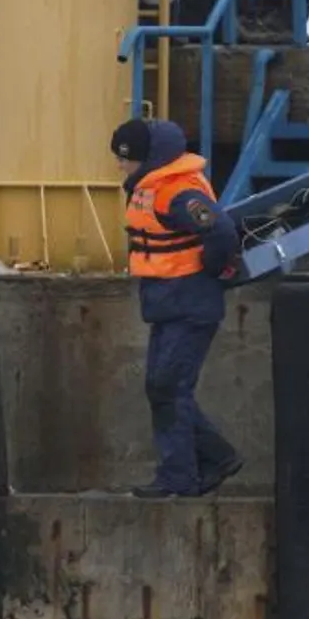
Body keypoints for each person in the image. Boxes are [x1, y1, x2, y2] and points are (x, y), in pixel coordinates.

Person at [111, 117, 244, 499]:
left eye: (126, 159)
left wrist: (214, 267)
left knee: (169, 387)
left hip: (190, 302)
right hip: (169, 304)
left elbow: (219, 229)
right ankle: (216, 458)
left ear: (147, 159)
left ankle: (180, 476)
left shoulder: (178, 193)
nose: (121, 166)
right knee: (161, 388)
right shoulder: (151, 187)